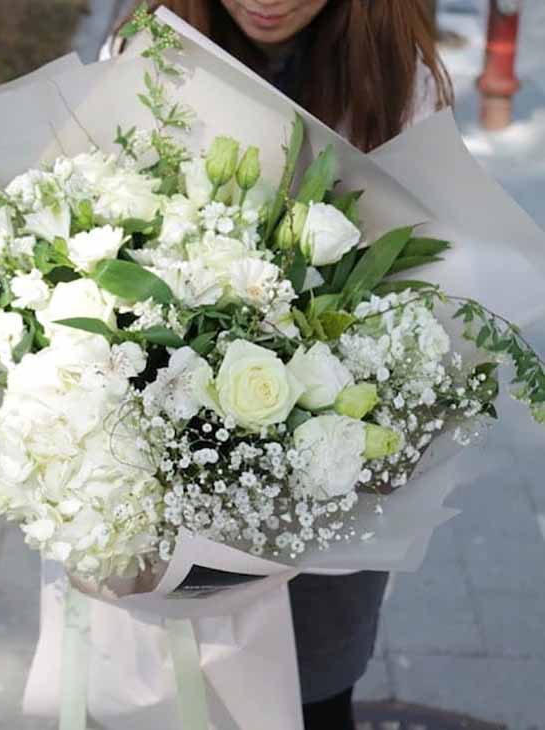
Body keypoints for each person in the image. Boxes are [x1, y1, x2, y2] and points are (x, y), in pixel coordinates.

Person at [102, 1, 453, 728]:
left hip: (327, 483)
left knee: (315, 688)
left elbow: (431, 285)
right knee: (176, 699)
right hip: (169, 467)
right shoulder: (150, 49)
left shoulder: (394, 75)